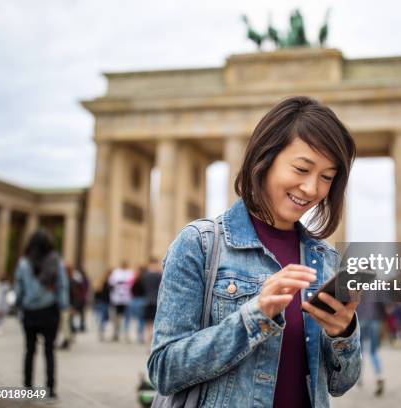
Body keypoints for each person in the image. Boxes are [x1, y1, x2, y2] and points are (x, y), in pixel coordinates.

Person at [148, 96, 361, 407]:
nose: (312, 188)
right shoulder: (200, 244)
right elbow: (164, 370)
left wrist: (344, 332)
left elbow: (341, 384)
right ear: (266, 157)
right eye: (302, 168)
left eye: (327, 177)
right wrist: (254, 316)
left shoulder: (325, 258)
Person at [14, 229, 69, 399]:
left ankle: (28, 387)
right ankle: (50, 389)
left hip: (29, 312)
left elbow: (19, 288)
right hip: (49, 311)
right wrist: (63, 306)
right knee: (49, 351)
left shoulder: (23, 263)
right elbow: (62, 286)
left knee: (29, 350)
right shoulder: (55, 261)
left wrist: (19, 305)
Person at [356, 293, 386, 397]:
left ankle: (358, 377)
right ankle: (379, 377)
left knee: (360, 351)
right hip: (374, 320)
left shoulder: (354, 283)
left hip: (359, 320)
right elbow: (383, 305)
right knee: (373, 352)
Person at [108, 261, 134, 342]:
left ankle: (126, 334)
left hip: (127, 299)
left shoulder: (130, 273)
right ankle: (116, 333)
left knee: (127, 317)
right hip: (117, 299)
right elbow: (111, 283)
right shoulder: (116, 272)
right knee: (116, 317)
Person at [141, 257, 162, 343]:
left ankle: (147, 341)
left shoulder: (145, 275)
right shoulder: (158, 275)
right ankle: (152, 342)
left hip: (147, 300)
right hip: (156, 301)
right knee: (155, 323)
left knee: (147, 323)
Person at [126, 266, 147, 343]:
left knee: (131, 318)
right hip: (142, 300)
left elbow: (130, 289)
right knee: (141, 319)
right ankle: (139, 336)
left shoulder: (133, 280)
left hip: (134, 300)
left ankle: (128, 334)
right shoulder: (144, 281)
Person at [94, 269, 112, 341]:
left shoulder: (104, 283)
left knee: (103, 318)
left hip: (103, 302)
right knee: (103, 318)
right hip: (104, 303)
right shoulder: (106, 284)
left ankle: (101, 332)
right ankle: (101, 333)